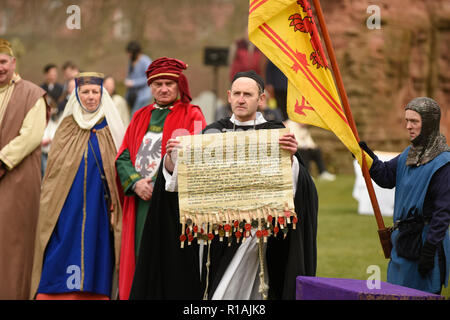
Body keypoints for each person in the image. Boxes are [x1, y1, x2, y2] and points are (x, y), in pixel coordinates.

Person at [130, 70, 318, 300]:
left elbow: (298, 186)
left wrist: (289, 158)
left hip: (255, 235)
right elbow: (179, 184)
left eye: (248, 94)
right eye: (237, 93)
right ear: (229, 96)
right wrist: (171, 158)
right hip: (217, 233)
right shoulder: (212, 132)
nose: (241, 99)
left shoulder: (275, 133)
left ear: (261, 99)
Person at [115, 57, 206, 300]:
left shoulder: (193, 115)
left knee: (169, 265)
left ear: (179, 85)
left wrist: (159, 183)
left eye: (169, 83)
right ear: (150, 87)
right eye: (158, 84)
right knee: (139, 258)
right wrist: (136, 183)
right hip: (141, 201)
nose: (164, 89)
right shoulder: (139, 116)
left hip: (172, 205)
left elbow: (200, 155)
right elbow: (122, 156)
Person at [30, 72, 126, 300]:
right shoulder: (68, 127)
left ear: (102, 94)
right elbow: (53, 173)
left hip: (99, 205)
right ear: (77, 94)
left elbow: (118, 166)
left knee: (97, 246)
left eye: (95, 92)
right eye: (85, 92)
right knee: (64, 243)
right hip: (66, 204)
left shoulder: (109, 128)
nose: (91, 97)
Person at [360, 97, 449, 294]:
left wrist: (430, 250)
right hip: (402, 242)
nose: (408, 126)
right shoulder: (410, 153)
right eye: (407, 121)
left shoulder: (443, 163)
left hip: (426, 243)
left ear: (429, 123)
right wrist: (366, 157)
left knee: (422, 295)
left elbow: (442, 212)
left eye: (414, 121)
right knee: (396, 294)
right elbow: (386, 177)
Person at [0, 38, 48, 299]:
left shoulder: (32, 94)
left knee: (14, 244)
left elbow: (31, 135)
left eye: (3, 61)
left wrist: (2, 160)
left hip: (17, 180)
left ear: (13, 63)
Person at [124, 41, 152, 115]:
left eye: (129, 53)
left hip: (143, 95)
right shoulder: (132, 61)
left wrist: (134, 83)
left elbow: (149, 78)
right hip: (132, 95)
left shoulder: (145, 61)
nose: (128, 55)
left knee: (136, 115)